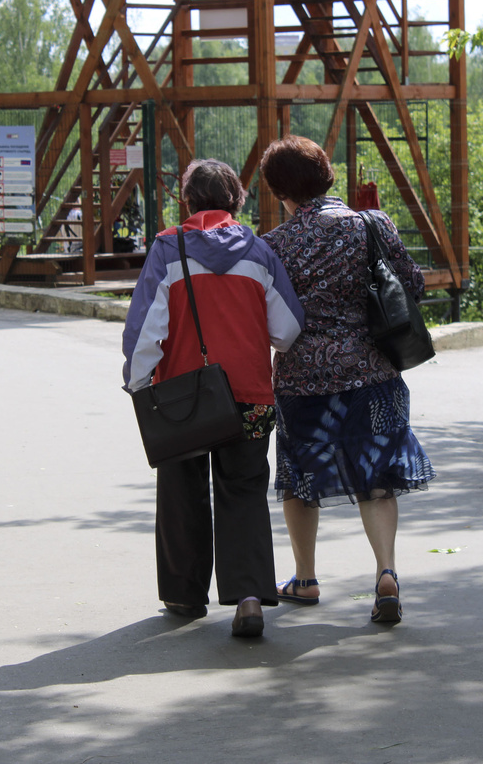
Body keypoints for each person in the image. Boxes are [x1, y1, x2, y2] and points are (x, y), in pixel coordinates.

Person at [122, 159, 304, 638]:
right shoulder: (260, 252)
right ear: (235, 201)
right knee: (243, 490)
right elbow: (286, 331)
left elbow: (146, 332)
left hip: (185, 396)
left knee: (182, 490)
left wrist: (138, 384)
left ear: (188, 202)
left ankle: (184, 594)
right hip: (248, 394)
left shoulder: (167, 249)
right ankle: (248, 598)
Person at [258, 135, 436, 624]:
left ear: (280, 191)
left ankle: (305, 578)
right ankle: (386, 574)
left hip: (303, 382)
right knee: (376, 479)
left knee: (299, 477)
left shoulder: (273, 246)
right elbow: (413, 285)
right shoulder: (370, 225)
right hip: (373, 375)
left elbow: (266, 317)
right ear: (326, 174)